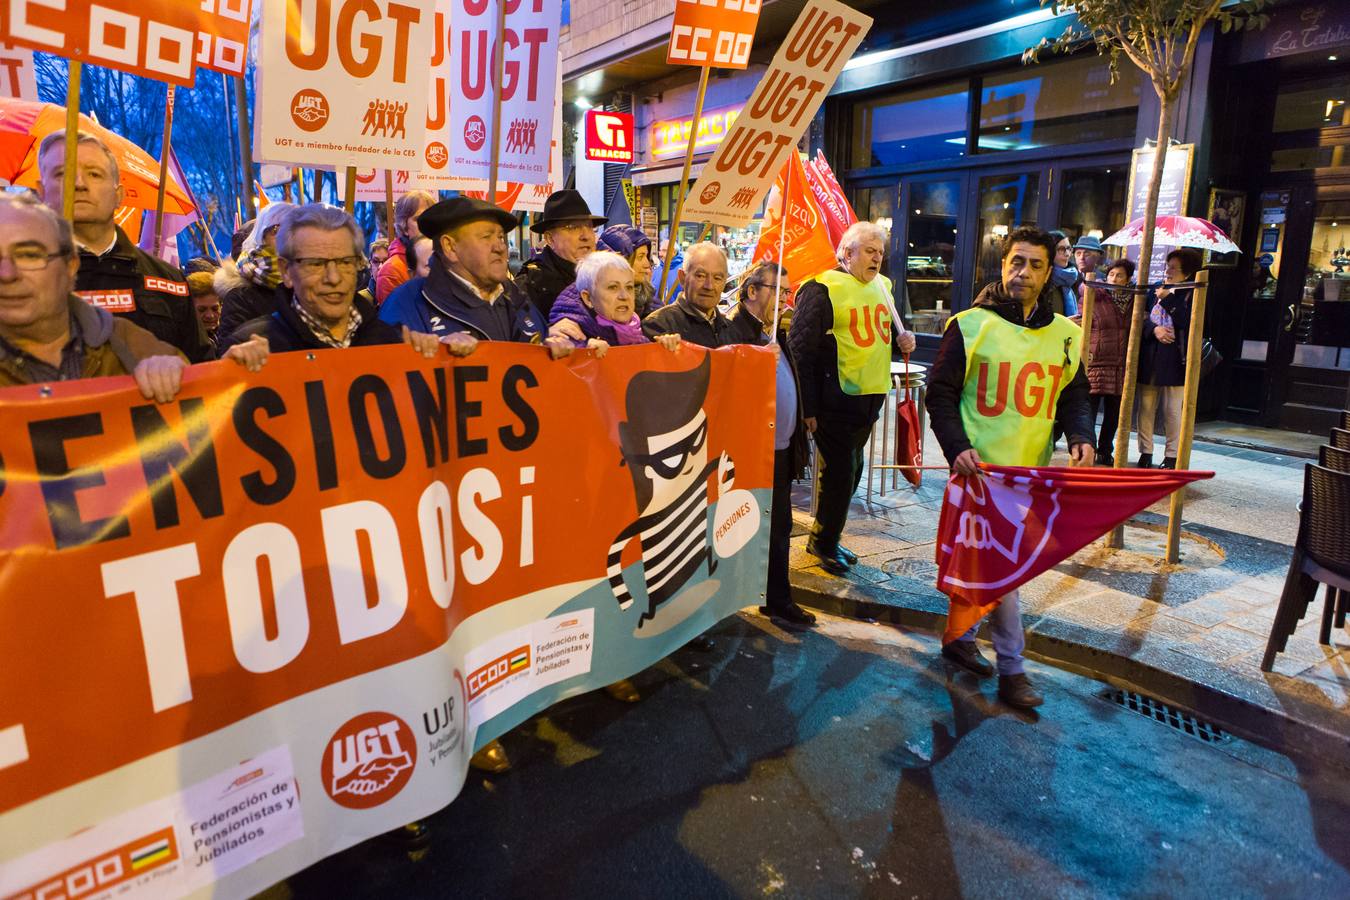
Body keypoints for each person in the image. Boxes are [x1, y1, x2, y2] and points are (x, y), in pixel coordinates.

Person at [925, 225, 1095, 709]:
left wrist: (1082, 436)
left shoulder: (1066, 336)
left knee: (984, 567)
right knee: (1006, 573)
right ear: (1002, 265)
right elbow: (940, 393)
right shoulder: (970, 324)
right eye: (1015, 262)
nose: (1022, 272)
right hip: (980, 477)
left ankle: (960, 638)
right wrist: (956, 446)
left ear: (1049, 272)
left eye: (1035, 265)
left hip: (1030, 476)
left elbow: (1074, 392)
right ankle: (1013, 670)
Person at [0, 193, 266, 394]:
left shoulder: (127, 342)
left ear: (69, 266)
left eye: (29, 255)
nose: (7, 273)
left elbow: (201, 404)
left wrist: (228, 375)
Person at [787, 222, 917, 575]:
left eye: (880, 252)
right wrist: (808, 406)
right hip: (835, 399)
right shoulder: (821, 288)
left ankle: (827, 535)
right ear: (847, 254)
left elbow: (884, 332)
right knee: (843, 472)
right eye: (869, 251)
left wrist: (903, 340)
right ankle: (823, 542)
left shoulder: (882, 286)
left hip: (869, 397)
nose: (877, 258)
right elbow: (801, 350)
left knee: (851, 470)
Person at [36, 130, 212, 363]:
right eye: (62, 173)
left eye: (94, 174)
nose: (79, 184)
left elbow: (201, 369)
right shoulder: (21, 281)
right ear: (40, 193)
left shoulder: (169, 281)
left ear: (118, 195)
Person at [216, 203, 446, 358]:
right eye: (316, 264)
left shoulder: (392, 342)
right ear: (286, 270)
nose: (334, 278)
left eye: (345, 262)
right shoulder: (252, 349)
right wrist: (225, 377)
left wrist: (445, 356)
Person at [379, 197, 572, 361]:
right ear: (450, 247)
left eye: (501, 238)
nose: (500, 247)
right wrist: (434, 355)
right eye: (487, 237)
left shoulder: (517, 299)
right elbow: (388, 378)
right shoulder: (407, 304)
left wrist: (555, 350)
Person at [732, 261, 816, 627]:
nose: (786, 301)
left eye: (787, 292)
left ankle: (775, 597)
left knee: (780, 525)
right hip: (752, 449)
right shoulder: (736, 332)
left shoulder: (773, 331)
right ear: (753, 291)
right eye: (778, 292)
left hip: (781, 446)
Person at [1136, 248, 1200, 470]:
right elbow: (1140, 319)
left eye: (1174, 268)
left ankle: (1172, 456)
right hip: (1151, 355)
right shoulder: (1155, 288)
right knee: (1146, 407)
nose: (1168, 271)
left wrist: (1169, 300)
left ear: (1187, 272)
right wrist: (1155, 330)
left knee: (1172, 411)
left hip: (1176, 359)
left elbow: (1188, 323)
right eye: (1167, 266)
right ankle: (1146, 452)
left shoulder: (1194, 291)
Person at [548, 250, 680, 354]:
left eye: (629, 287)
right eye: (613, 287)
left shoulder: (636, 335)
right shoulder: (568, 338)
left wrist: (663, 349)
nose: (624, 296)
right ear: (588, 298)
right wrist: (582, 353)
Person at [516, 189, 605, 319]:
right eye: (573, 227)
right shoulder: (531, 284)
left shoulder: (604, 275)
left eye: (590, 227)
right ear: (550, 239)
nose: (586, 236)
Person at [214, 201, 296, 342]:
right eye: (277, 230)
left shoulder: (312, 286)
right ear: (261, 236)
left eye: (294, 230)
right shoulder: (240, 295)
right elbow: (230, 350)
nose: (286, 238)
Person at [1085, 258, 1135, 466]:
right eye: (1111, 274)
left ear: (1128, 279)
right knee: (1089, 409)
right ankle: (1088, 448)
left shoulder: (1135, 300)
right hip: (1097, 359)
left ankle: (1105, 450)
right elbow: (1082, 314)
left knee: (1114, 414)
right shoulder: (1095, 295)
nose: (1114, 278)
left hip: (1122, 363)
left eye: (1119, 275)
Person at [640, 242, 737, 346]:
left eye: (717, 278)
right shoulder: (658, 326)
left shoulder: (733, 331)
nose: (709, 286)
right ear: (682, 277)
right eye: (700, 276)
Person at [374, 190, 435, 303]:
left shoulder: (444, 258)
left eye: (431, 217)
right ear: (403, 225)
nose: (427, 223)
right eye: (418, 219)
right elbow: (394, 318)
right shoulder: (391, 271)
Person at [1046, 230, 1079, 318]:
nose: (1067, 254)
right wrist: (1067, 323)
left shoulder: (1072, 279)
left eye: (1069, 249)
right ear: (1050, 252)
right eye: (1061, 249)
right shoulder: (1043, 280)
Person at [187, 271, 222, 349]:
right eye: (202, 310)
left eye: (215, 309)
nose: (210, 315)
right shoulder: (183, 343)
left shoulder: (227, 333)